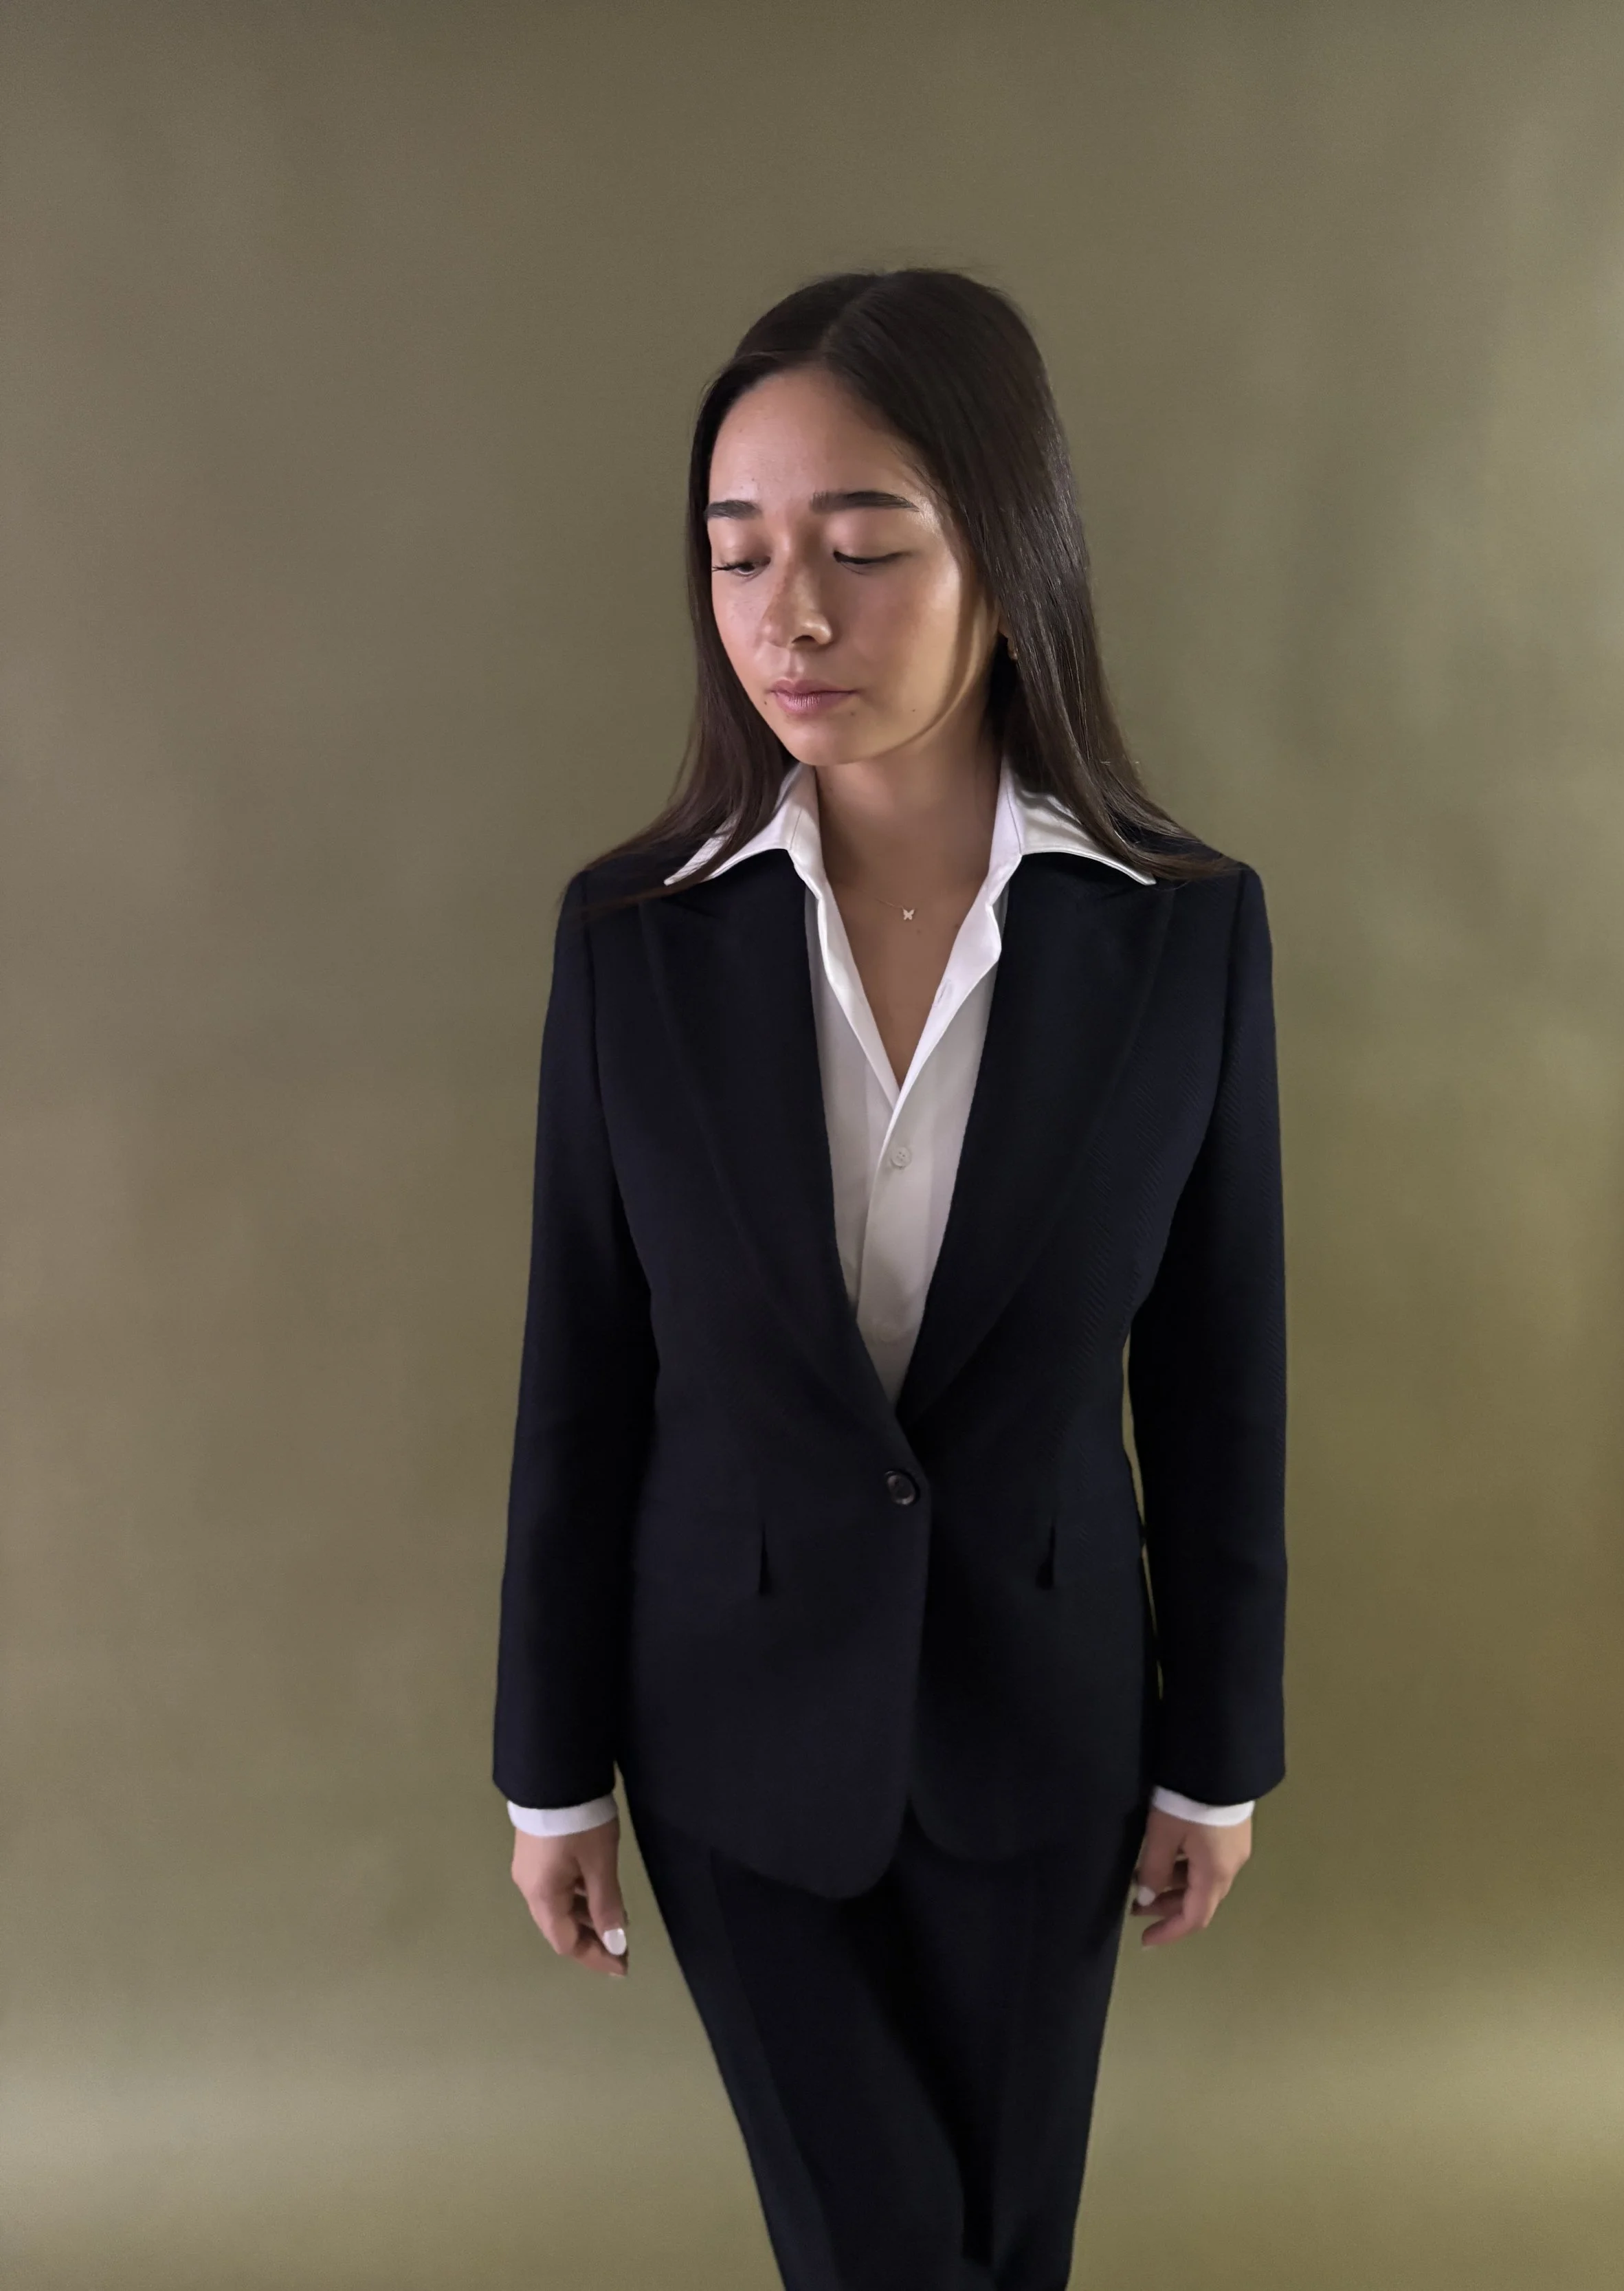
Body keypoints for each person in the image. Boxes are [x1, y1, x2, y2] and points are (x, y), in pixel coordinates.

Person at [492, 267, 1287, 2291]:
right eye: (737, 553)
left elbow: (1214, 1375)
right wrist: (544, 1761)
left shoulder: (1178, 934)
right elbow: (579, 1373)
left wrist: (1223, 1743)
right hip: (726, 1728)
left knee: (1010, 2242)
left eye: (860, 546)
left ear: (1007, 559)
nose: (789, 614)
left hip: (1050, 1724)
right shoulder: (632, 938)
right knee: (882, 2249)